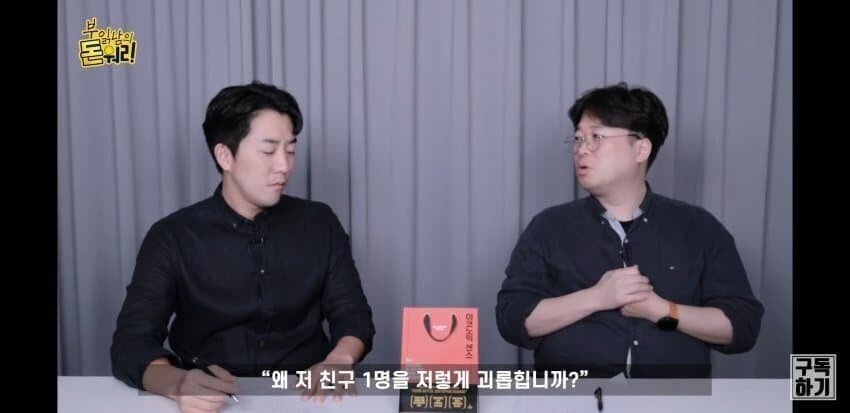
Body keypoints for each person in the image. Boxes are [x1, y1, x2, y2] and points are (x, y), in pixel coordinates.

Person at [111, 81, 375, 411]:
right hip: (211, 398)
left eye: (291, 150)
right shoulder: (173, 236)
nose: (284, 166)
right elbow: (131, 341)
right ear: (225, 155)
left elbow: (353, 315)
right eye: (268, 151)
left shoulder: (320, 223)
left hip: (308, 397)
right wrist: (176, 383)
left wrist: (340, 359)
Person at [495, 82, 763, 378]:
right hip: (571, 396)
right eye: (578, 138)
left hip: (674, 398)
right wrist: (597, 298)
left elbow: (742, 327)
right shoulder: (548, 227)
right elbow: (511, 318)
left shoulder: (699, 228)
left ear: (641, 149)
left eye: (596, 137)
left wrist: (662, 310)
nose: (582, 149)